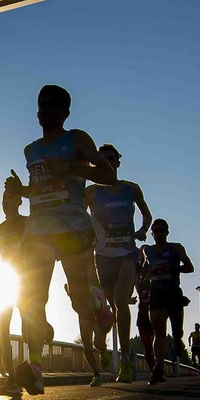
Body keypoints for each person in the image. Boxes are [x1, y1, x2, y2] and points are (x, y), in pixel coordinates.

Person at [5, 85, 119, 393]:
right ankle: (35, 367)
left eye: (53, 106)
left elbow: (108, 176)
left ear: (66, 113)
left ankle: (97, 303)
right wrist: (20, 190)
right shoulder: (30, 150)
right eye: (42, 106)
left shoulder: (77, 139)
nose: (46, 111)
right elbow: (40, 189)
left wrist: (71, 167)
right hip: (39, 232)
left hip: (73, 230)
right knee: (33, 298)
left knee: (79, 303)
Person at [85, 144, 153, 384]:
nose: (106, 163)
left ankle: (124, 360)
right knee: (110, 309)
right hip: (103, 257)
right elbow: (78, 217)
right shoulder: (91, 192)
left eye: (110, 159)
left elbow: (147, 214)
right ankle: (110, 348)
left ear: (117, 162)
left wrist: (143, 230)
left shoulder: (131, 189)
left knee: (121, 300)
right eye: (101, 160)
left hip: (127, 253)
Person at [0, 174, 56, 397]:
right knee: (2, 328)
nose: (6, 202)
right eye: (4, 198)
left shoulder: (29, 223)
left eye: (10, 198)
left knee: (27, 330)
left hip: (26, 281)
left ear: (19, 201)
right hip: (6, 280)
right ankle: (12, 378)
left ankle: (35, 370)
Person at [142, 219, 195, 384]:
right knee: (159, 332)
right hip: (156, 292)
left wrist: (173, 268)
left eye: (162, 230)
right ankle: (159, 368)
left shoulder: (176, 248)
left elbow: (190, 267)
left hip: (173, 291)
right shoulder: (148, 251)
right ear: (152, 234)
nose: (159, 233)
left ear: (167, 232)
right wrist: (142, 280)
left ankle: (178, 341)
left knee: (177, 331)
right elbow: (144, 269)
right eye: (156, 231)